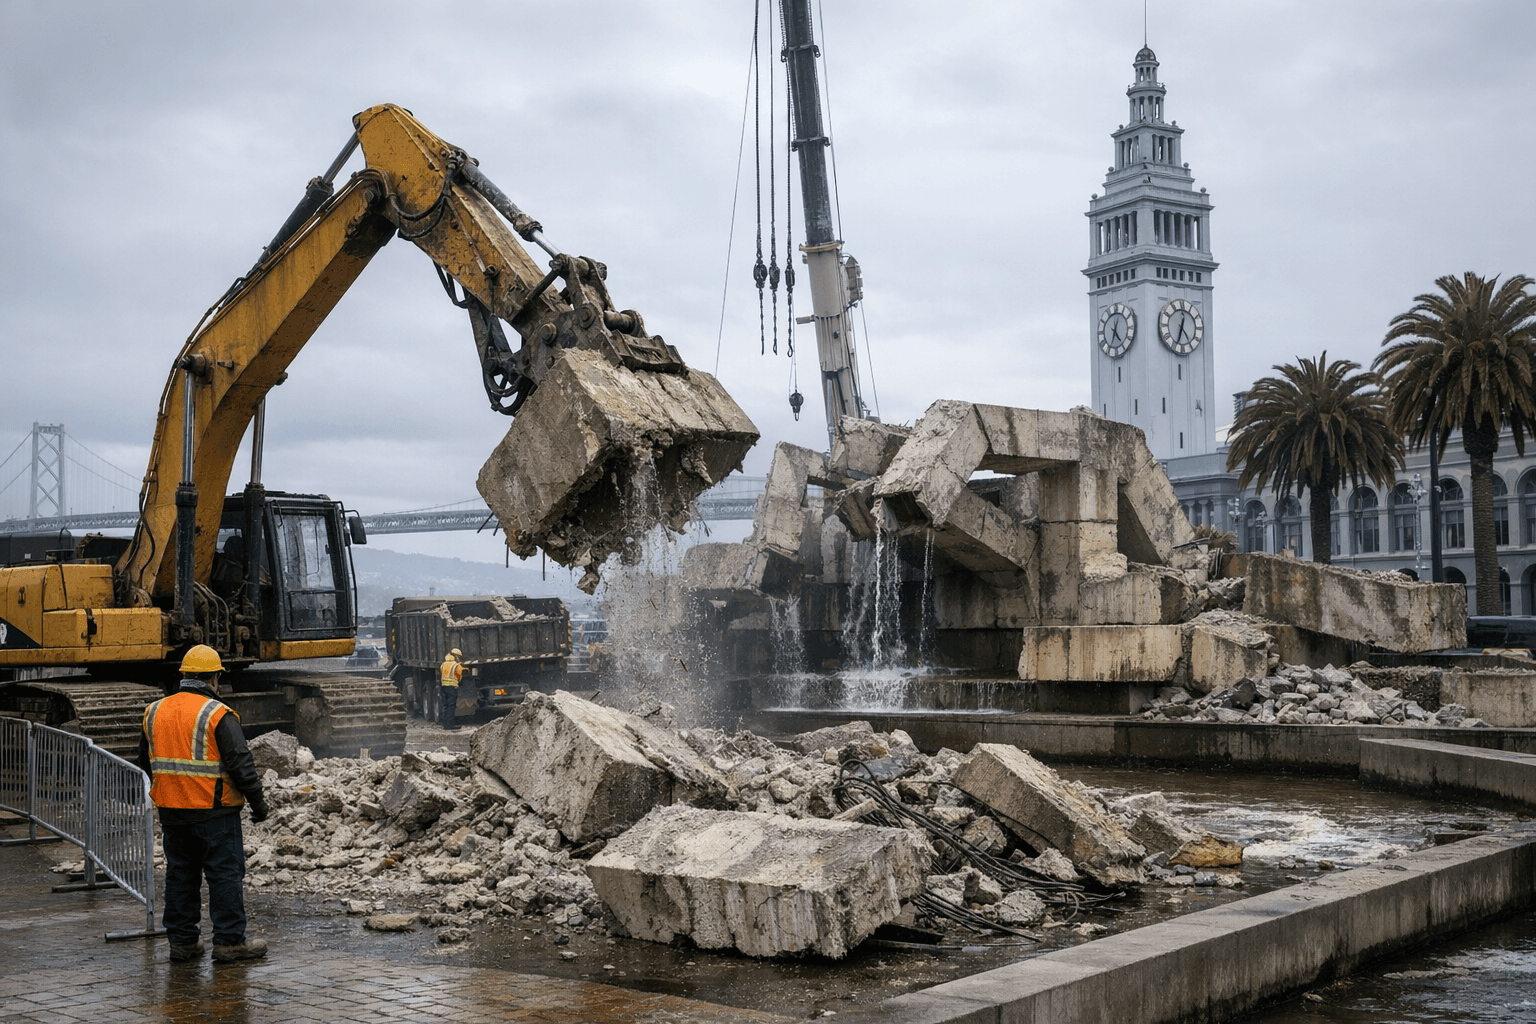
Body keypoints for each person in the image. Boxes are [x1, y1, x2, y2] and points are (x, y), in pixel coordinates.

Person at [137, 644, 270, 964]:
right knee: (225, 874)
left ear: (184, 677)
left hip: (172, 811)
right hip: (214, 812)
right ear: (213, 679)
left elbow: (145, 761)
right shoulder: (217, 714)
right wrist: (259, 803)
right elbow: (240, 763)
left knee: (180, 875)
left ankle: (182, 942)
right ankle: (229, 943)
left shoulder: (154, 711)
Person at [438, 647, 464, 730]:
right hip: (452, 687)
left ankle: (444, 723)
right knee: (451, 705)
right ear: (456, 656)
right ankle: (450, 725)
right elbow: (459, 677)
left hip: (444, 686)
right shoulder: (456, 665)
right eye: (459, 657)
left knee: (445, 705)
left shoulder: (443, 664)